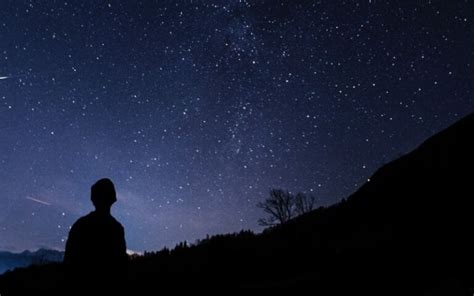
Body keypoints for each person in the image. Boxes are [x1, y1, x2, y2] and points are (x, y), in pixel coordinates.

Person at [64, 178, 127, 289]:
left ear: (93, 199)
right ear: (113, 199)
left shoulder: (80, 224)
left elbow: (69, 262)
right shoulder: (117, 228)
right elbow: (121, 266)